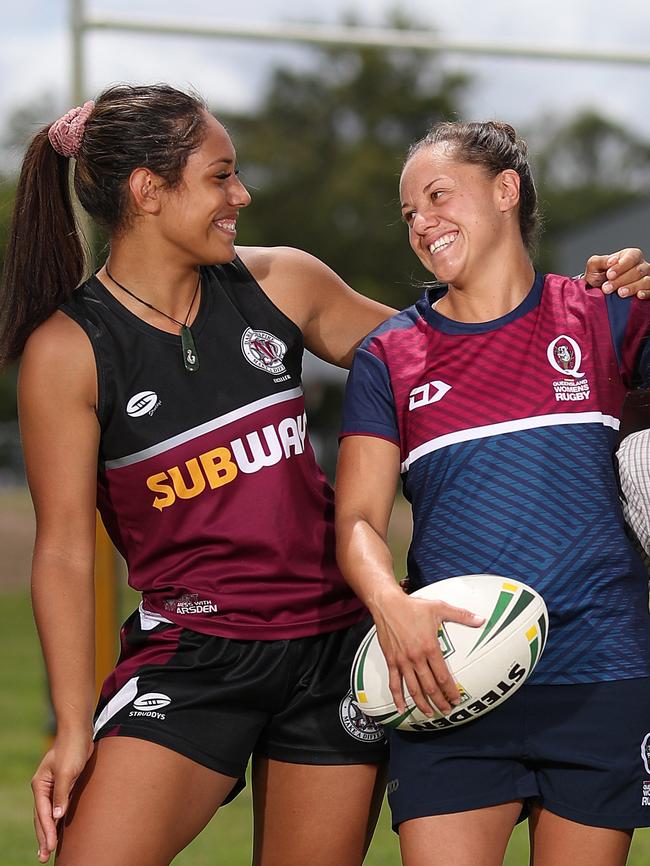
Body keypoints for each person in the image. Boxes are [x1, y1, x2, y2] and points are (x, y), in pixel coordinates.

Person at [0, 86, 646, 866]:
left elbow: (456, 352)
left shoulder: (284, 282)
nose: (241, 194)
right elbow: (66, 552)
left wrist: (594, 307)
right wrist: (73, 727)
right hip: (199, 652)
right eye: (220, 176)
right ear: (148, 190)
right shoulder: (68, 352)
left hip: (336, 652)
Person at [335, 120, 650, 866]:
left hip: (601, 667)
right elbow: (356, 520)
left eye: (438, 195)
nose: (421, 222)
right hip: (450, 674)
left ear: (506, 190)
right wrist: (391, 604)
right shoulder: (391, 355)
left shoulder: (606, 312)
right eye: (410, 211)